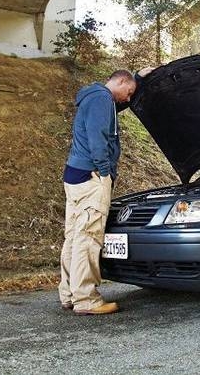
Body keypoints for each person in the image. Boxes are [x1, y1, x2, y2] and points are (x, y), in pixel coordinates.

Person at [59, 67, 154, 315]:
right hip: (92, 176)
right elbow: (98, 137)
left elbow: (113, 109)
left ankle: (69, 294)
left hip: (75, 175)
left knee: (74, 236)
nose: (129, 98)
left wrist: (139, 78)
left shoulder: (95, 97)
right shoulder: (101, 99)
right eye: (129, 92)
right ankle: (86, 299)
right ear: (120, 81)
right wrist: (104, 172)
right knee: (89, 238)